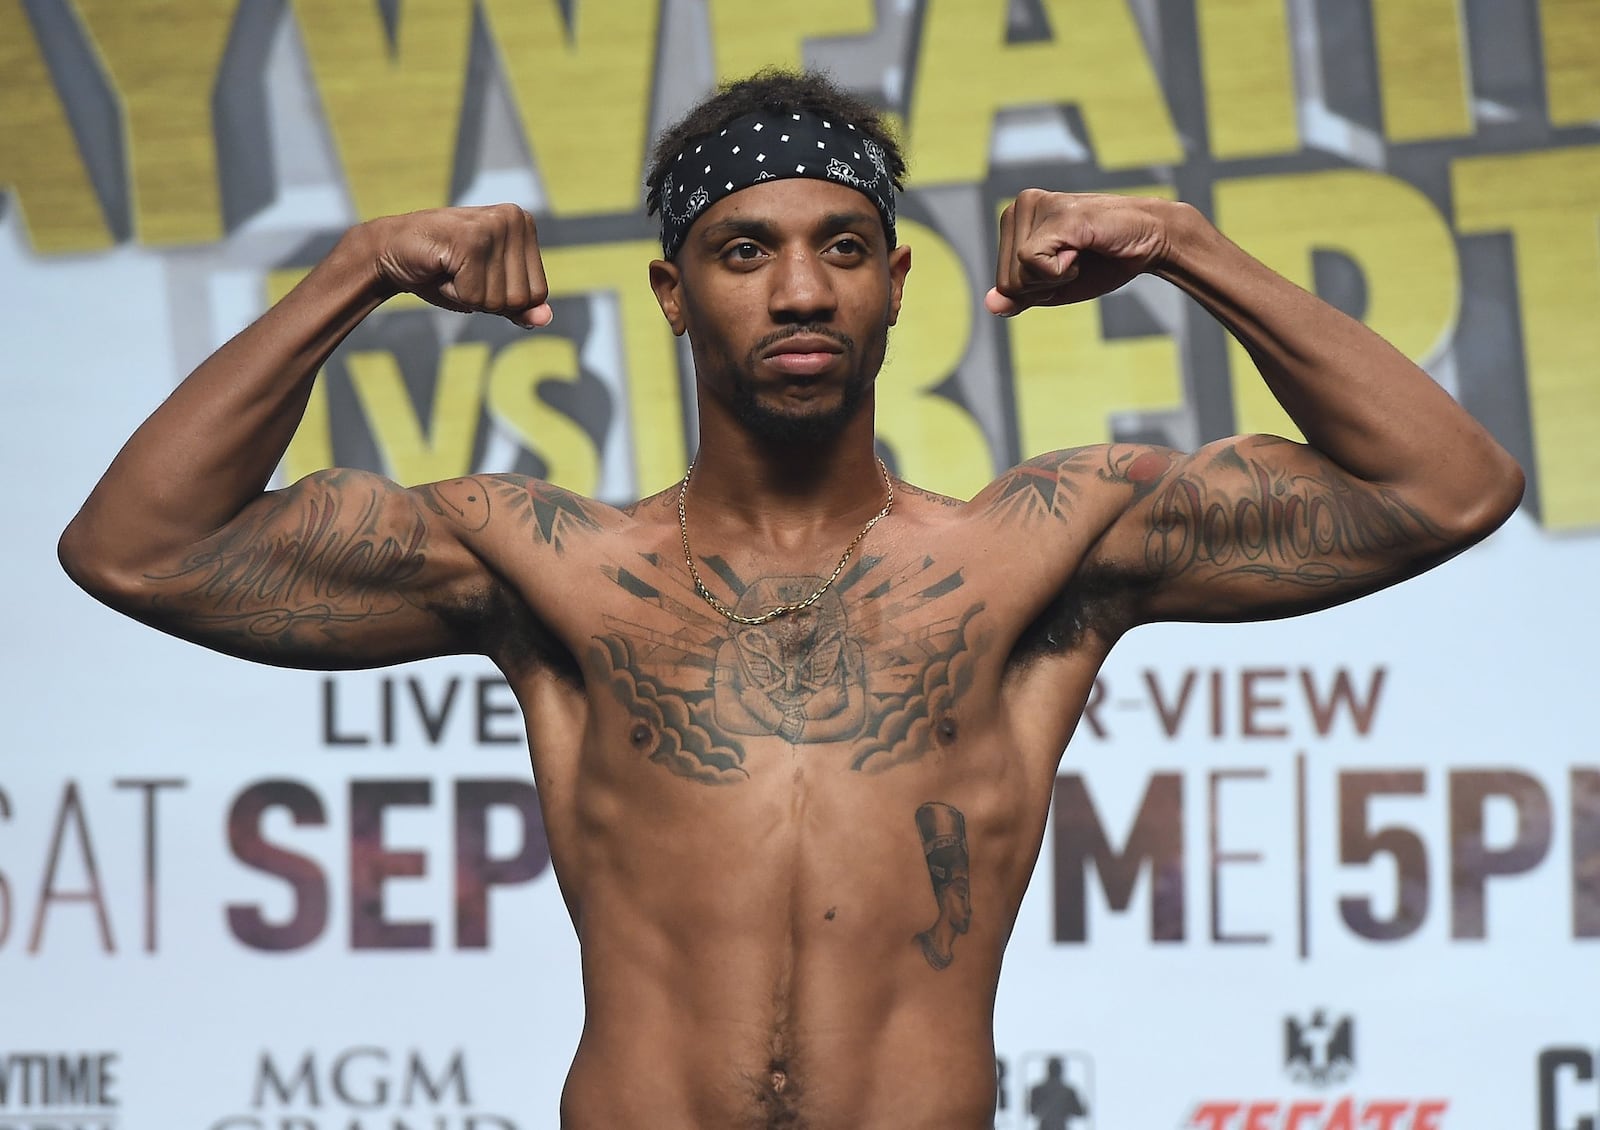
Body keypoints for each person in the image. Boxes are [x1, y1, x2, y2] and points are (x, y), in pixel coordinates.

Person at [57, 68, 1523, 1128]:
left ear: (896, 283)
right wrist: (356, 270)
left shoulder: (1038, 552)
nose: (800, 291)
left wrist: (1188, 244)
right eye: (745, 251)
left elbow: (1444, 490)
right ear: (674, 292)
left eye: (838, 249)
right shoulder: (549, 566)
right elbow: (141, 547)